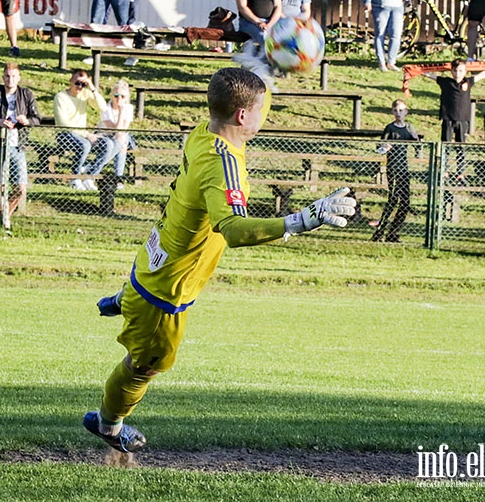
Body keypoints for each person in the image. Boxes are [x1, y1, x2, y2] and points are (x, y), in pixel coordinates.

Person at [82, 68, 356, 454]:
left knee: (145, 299)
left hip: (154, 257)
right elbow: (233, 229)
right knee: (143, 366)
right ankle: (109, 425)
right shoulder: (222, 164)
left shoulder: (203, 131)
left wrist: (268, 62)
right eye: (262, 108)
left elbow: (241, 98)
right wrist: (301, 220)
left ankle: (126, 300)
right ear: (244, 116)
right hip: (167, 291)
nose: (266, 113)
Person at [0, 63, 42, 228]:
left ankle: (5, 215)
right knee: (1, 186)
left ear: (19, 77)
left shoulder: (26, 95)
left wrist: (26, 121)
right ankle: (1, 221)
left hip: (18, 145)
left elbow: (36, 118)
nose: (10, 79)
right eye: (7, 76)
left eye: (13, 76)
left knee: (21, 187)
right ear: (3, 77)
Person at [423, 59, 485, 184]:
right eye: (455, 71)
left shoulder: (468, 82)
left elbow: (482, 75)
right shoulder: (446, 82)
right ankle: (445, 171)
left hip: (462, 120)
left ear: (465, 71)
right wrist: (421, 71)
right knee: (446, 146)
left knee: (461, 147)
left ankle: (461, 173)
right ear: (451, 71)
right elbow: (431, 75)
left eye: (461, 71)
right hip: (448, 119)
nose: (458, 73)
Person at [52, 69, 109, 191]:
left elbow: (103, 108)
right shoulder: (61, 97)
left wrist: (92, 88)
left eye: (83, 84)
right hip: (65, 134)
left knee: (108, 145)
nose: (79, 87)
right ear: (70, 81)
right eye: (77, 83)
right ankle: (75, 177)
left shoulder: (85, 94)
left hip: (82, 134)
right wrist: (86, 134)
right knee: (85, 145)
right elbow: (63, 124)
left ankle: (90, 176)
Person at [372, 99, 419, 243]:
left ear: (406, 112)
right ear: (392, 112)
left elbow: (417, 144)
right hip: (393, 168)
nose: (398, 113)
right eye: (395, 110)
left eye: (401, 110)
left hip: (404, 169)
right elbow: (379, 147)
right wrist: (385, 147)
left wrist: (417, 144)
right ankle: (379, 232)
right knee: (392, 200)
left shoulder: (409, 127)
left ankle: (393, 233)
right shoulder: (390, 128)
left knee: (405, 203)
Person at [95, 80, 136, 186]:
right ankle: (118, 178)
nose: (119, 99)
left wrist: (121, 111)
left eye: (123, 96)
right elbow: (113, 129)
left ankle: (92, 168)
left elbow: (122, 130)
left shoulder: (129, 108)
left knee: (122, 139)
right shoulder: (105, 108)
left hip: (122, 137)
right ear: (112, 95)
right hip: (104, 135)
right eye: (116, 95)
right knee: (121, 141)